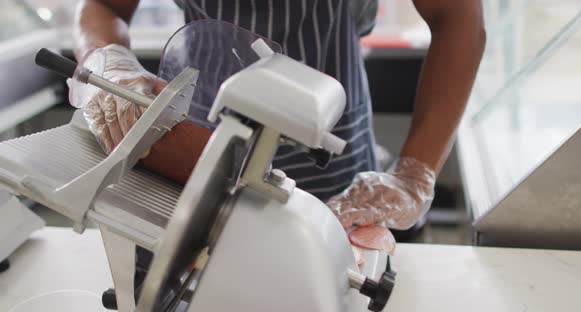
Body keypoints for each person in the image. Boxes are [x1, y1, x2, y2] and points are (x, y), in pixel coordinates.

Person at [73, 0, 485, 230]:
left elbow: (458, 19)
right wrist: (108, 61)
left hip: (340, 178)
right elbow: (103, 6)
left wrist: (413, 176)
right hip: (198, 153)